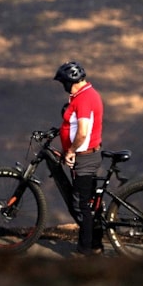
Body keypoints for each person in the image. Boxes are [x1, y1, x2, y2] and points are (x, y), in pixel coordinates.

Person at [53, 61, 104, 256]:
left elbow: (82, 133)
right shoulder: (86, 94)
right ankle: (97, 245)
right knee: (90, 204)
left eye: (63, 83)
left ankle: (84, 252)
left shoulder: (83, 99)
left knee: (81, 205)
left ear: (69, 82)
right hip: (88, 156)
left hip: (84, 158)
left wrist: (71, 151)